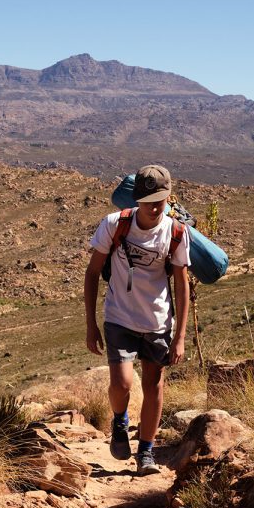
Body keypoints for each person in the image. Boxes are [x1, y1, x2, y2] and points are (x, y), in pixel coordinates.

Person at [83, 164, 191, 475]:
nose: (156, 208)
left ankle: (146, 452)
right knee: (122, 382)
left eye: (161, 200)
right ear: (137, 200)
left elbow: (181, 286)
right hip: (119, 316)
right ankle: (119, 419)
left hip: (157, 321)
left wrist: (180, 336)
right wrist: (91, 324)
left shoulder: (176, 233)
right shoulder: (114, 225)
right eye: (149, 202)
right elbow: (92, 274)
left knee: (154, 385)